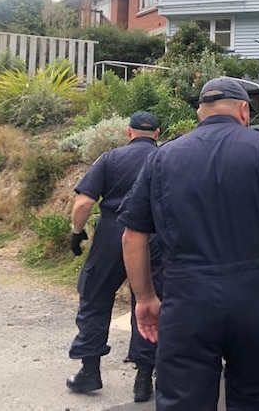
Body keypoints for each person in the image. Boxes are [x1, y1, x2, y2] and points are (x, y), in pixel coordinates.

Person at [118, 77, 259, 411]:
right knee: (254, 397)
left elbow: (132, 235)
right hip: (255, 302)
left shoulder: (163, 158)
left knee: (183, 401)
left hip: (187, 302)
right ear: (244, 111)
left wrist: (146, 298)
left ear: (199, 113)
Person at [66, 111, 163, 403]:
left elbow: (84, 202)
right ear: (157, 133)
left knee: (95, 297)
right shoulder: (167, 158)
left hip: (113, 231)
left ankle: (90, 370)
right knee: (148, 302)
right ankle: (144, 379)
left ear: (129, 132)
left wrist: (76, 232)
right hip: (155, 235)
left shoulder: (110, 158)